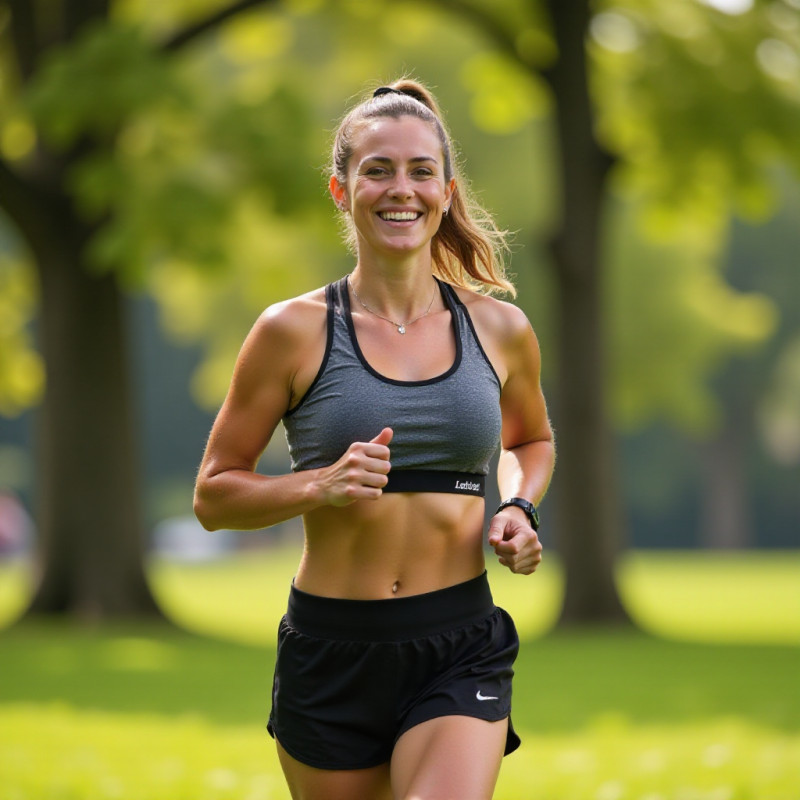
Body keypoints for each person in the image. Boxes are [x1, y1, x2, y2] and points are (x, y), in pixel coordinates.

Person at [194, 78, 556, 800]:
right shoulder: (291, 330)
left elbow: (531, 441)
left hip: (459, 644)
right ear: (342, 189)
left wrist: (519, 507)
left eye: (421, 171)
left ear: (446, 192)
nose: (401, 189)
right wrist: (317, 485)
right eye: (378, 169)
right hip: (332, 651)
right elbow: (214, 496)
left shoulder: (500, 328)